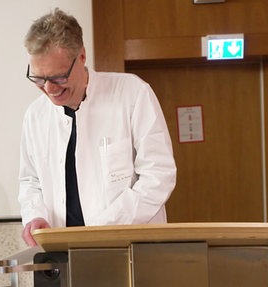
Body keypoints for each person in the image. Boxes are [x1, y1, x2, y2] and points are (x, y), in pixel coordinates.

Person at [19, 8, 177, 247]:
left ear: (81, 56)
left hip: (130, 247)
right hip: (62, 252)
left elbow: (159, 175)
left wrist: (102, 230)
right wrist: (35, 215)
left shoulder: (132, 93)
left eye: (59, 77)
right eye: (39, 78)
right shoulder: (35, 115)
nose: (49, 89)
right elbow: (30, 180)